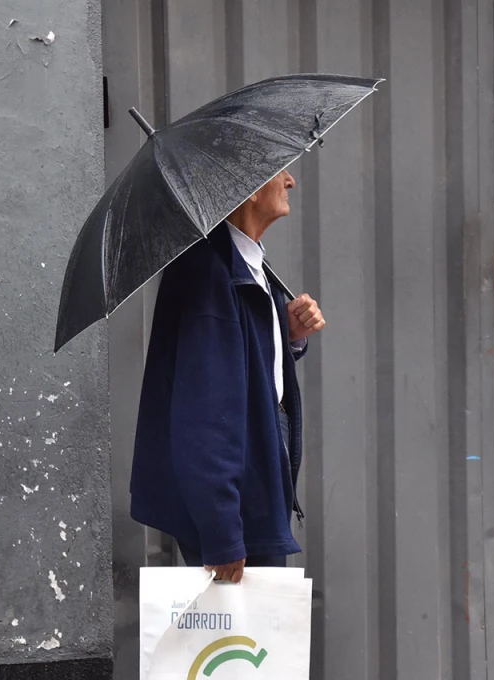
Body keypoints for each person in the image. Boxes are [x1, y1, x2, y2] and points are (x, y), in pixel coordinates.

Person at [129, 169, 325, 584]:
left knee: (253, 647)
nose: (291, 181)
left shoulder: (248, 265)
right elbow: (205, 414)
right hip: (240, 515)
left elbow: (251, 375)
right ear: (250, 190)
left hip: (254, 498)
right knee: (240, 647)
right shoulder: (209, 271)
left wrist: (289, 337)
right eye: (280, 173)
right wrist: (222, 532)